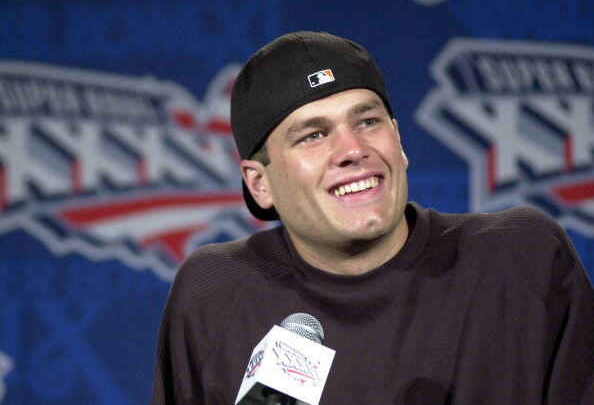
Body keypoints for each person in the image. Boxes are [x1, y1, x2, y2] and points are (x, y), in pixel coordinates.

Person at [151, 31, 594, 404]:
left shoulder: (518, 259)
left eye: (366, 122)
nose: (352, 151)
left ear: (398, 140)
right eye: (313, 135)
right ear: (259, 183)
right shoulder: (213, 293)